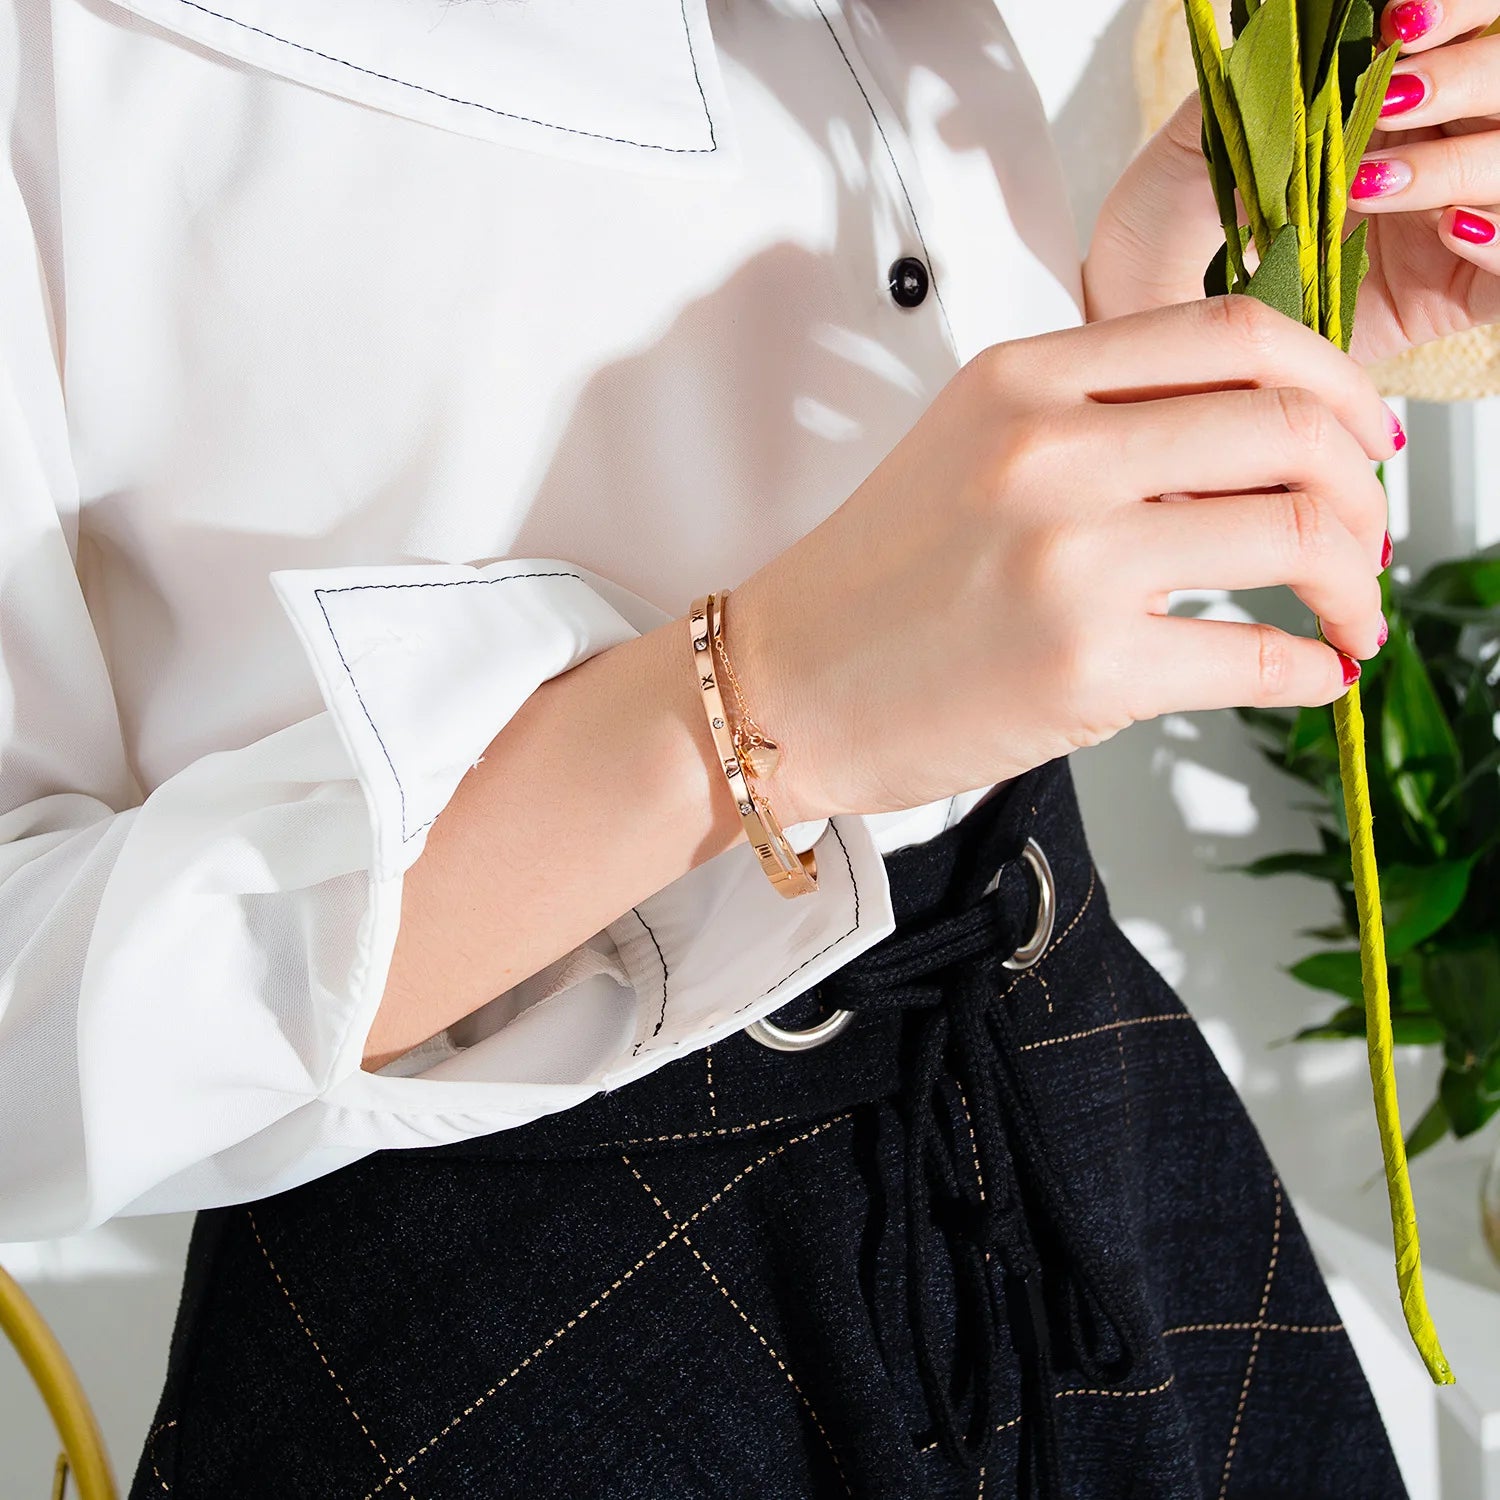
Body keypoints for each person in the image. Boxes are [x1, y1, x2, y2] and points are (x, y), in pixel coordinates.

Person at [3, 0, 1495, 1492]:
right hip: (519, 1319)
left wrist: (1213, 327)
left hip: (1087, 1118)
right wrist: (752, 707)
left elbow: (901, 503)